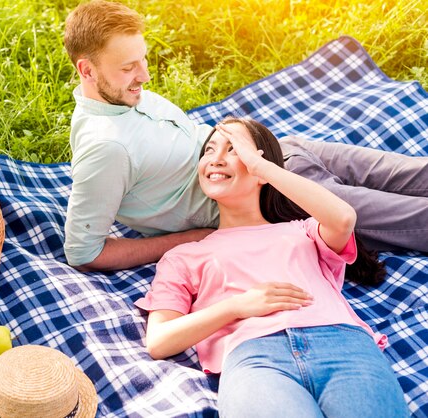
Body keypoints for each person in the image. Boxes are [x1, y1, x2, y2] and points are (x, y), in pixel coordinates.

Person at [63, 0, 428, 271]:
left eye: (142, 59)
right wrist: (188, 240)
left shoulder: (127, 93)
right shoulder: (106, 149)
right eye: (128, 67)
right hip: (276, 195)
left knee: (417, 171)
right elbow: (83, 252)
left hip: (283, 149)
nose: (144, 75)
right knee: (415, 218)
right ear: (87, 70)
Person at [134, 117, 409, 417]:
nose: (216, 159)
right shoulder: (183, 256)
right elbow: (159, 341)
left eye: (233, 149)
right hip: (255, 358)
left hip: (343, 346)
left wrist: (263, 167)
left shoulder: (302, 231)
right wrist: (237, 306)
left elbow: (343, 219)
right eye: (209, 150)